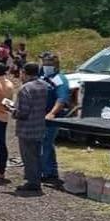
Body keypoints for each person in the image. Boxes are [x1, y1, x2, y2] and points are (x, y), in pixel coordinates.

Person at [12, 62, 49, 193]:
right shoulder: (45, 86)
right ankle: (36, 179)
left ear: (24, 72)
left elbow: (23, 112)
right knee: (37, 155)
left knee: (28, 156)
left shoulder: (25, 89)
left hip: (26, 128)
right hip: (40, 125)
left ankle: (33, 182)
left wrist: (12, 111)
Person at [39, 52, 70, 186]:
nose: (46, 66)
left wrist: (52, 113)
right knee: (47, 144)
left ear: (56, 65)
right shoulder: (43, 76)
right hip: (40, 115)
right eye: (44, 63)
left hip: (52, 117)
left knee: (45, 143)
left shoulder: (59, 79)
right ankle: (51, 170)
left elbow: (61, 99)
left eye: (49, 64)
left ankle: (43, 172)